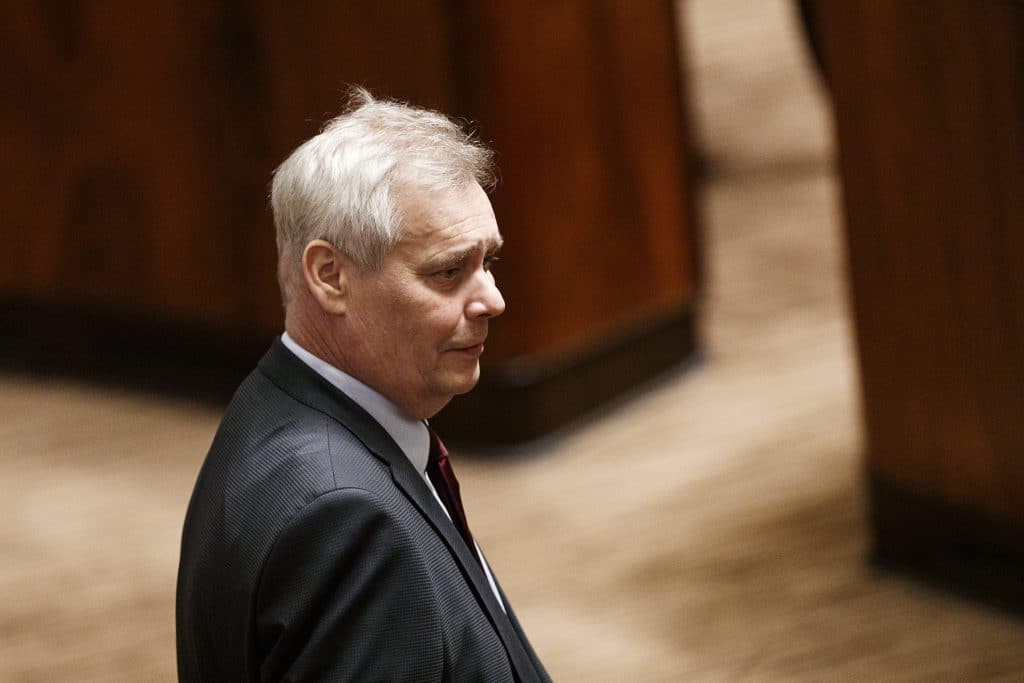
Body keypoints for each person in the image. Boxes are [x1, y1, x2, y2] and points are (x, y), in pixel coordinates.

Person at [176, 88, 551, 682]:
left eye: (488, 263)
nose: (493, 300)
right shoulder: (347, 519)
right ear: (330, 276)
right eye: (448, 271)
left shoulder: (272, 402)